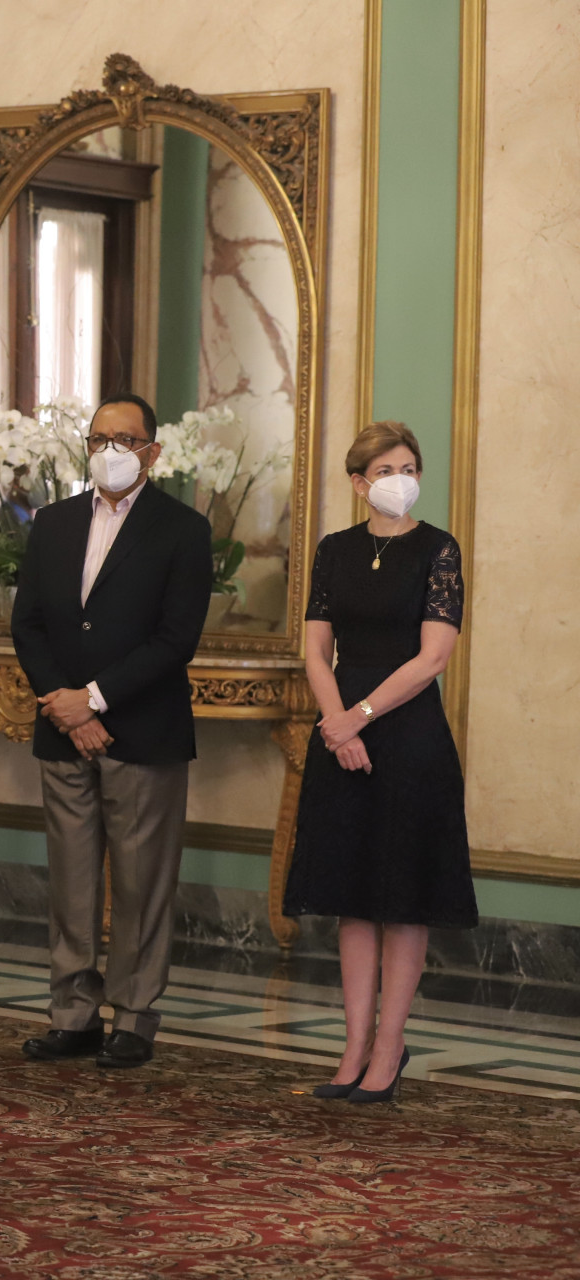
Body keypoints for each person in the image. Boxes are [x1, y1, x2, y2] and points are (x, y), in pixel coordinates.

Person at [8, 394, 212, 1070]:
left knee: (141, 884)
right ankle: (72, 1015)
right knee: (71, 883)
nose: (110, 451)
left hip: (144, 732)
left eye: (124, 440)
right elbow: (29, 625)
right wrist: (64, 707)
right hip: (63, 731)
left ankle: (133, 1017)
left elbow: (175, 638)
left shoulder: (183, 530)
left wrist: (94, 701)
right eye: (99, 439)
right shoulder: (53, 522)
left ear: (153, 451)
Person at [283, 422, 473, 1105]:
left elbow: (433, 657)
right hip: (341, 731)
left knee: (402, 896)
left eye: (410, 467)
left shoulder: (438, 549)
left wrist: (357, 717)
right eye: (387, 469)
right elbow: (315, 651)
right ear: (359, 482)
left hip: (408, 733)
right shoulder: (334, 550)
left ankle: (390, 1046)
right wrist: (337, 725)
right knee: (353, 897)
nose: (402, 478)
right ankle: (354, 1045)